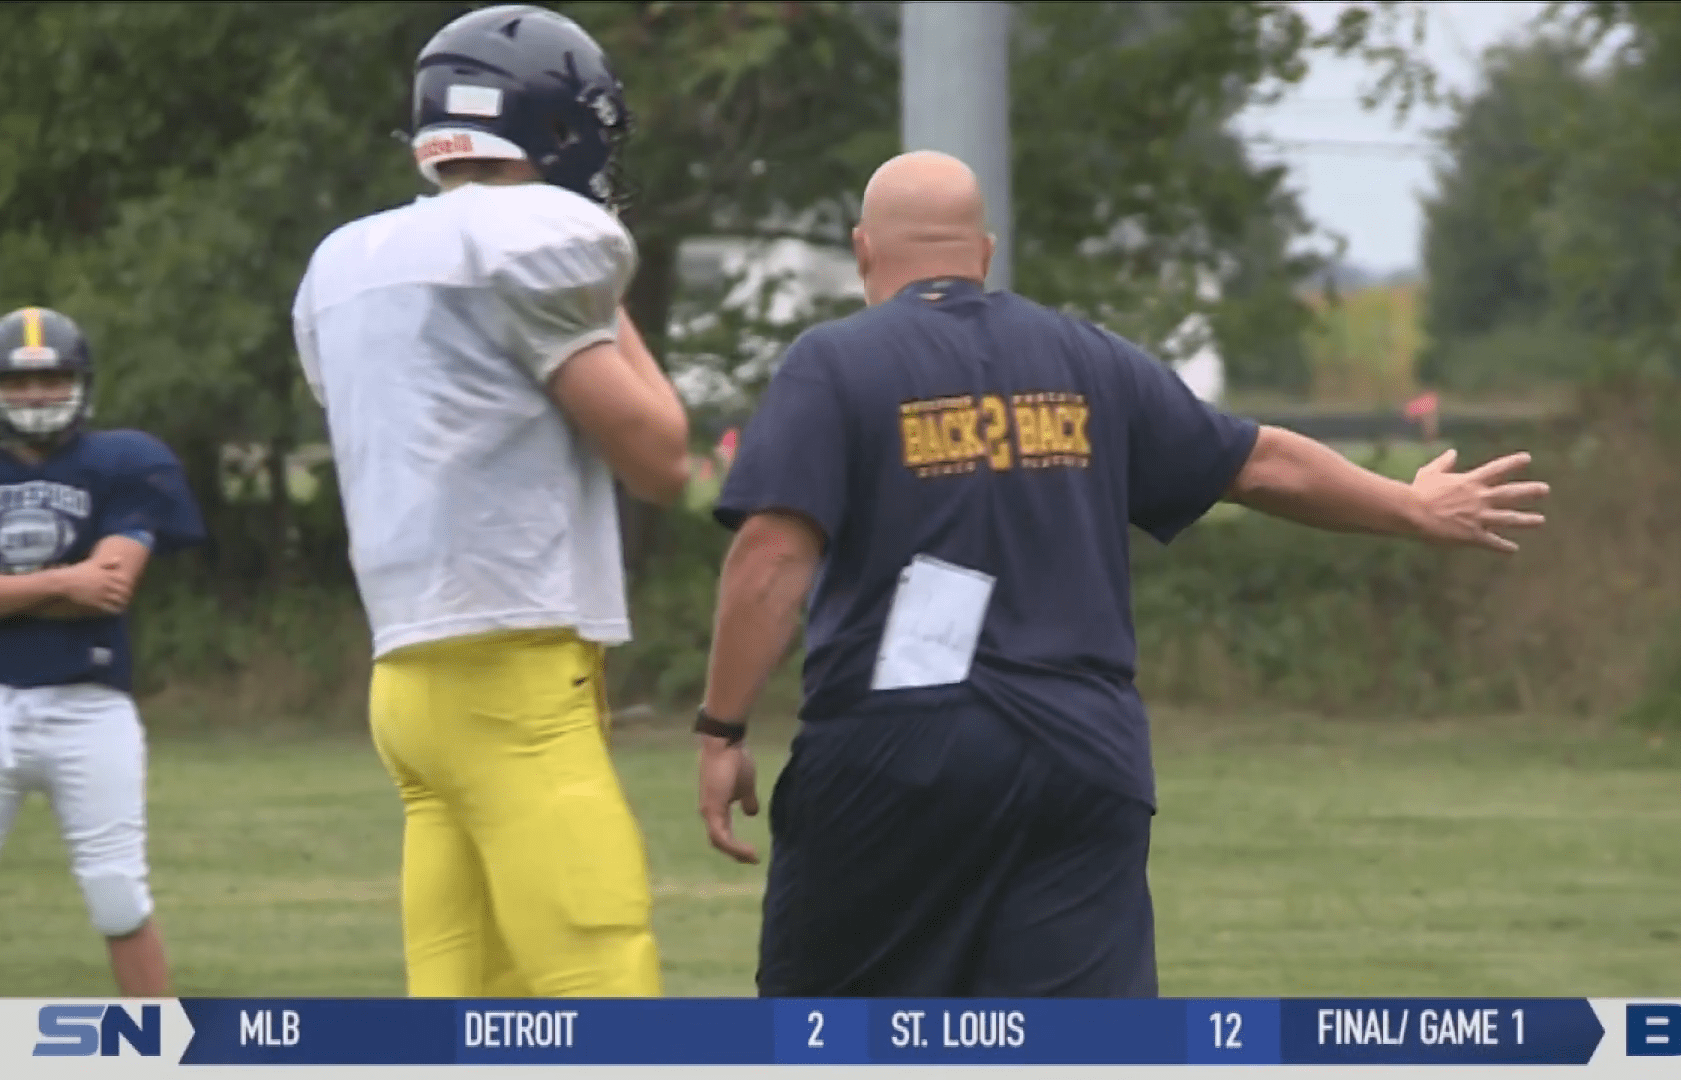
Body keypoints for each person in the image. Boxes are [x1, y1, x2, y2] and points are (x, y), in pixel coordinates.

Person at [694, 151, 1551, 997]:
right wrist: (1411, 505)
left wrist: (722, 729)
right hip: (1079, 760)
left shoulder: (835, 363)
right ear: (984, 253)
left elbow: (773, 557)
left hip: (895, 759)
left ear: (864, 252)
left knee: (830, 1041)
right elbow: (1260, 463)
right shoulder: (1087, 360)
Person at [291, 4, 690, 997]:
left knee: (462, 1015)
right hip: (513, 679)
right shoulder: (537, 238)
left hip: (406, 685)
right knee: (601, 993)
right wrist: (604, 306)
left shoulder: (346, 262)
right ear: (564, 126)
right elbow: (662, 456)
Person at [0, 305, 206, 996]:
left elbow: (111, 587)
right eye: (18, 382)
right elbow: (85, 583)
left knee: (118, 894)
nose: (34, 395)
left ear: (80, 382)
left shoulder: (126, 460)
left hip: (89, 708)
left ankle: (156, 1055)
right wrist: (64, 580)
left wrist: (18, 593)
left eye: (51, 379)